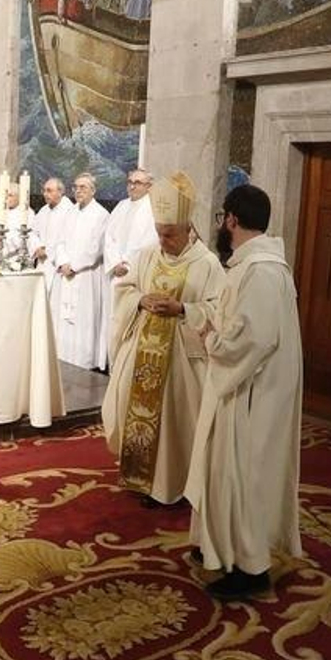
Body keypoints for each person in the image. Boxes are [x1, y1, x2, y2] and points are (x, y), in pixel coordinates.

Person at [188, 185, 303, 600]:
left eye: (223, 217)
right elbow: (232, 316)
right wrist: (211, 321)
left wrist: (214, 342)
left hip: (252, 392)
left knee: (245, 476)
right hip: (242, 385)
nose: (221, 225)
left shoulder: (264, 271)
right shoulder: (249, 266)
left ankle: (250, 566)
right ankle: (217, 545)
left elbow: (254, 337)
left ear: (232, 219)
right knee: (223, 470)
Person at [103, 173, 225, 508]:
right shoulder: (147, 255)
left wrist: (182, 308)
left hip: (183, 358)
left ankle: (174, 484)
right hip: (143, 349)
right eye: (159, 233)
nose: (163, 241)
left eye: (169, 235)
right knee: (134, 408)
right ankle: (142, 479)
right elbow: (125, 289)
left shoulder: (208, 264)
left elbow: (219, 310)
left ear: (188, 230)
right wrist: (140, 300)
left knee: (176, 422)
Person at [50, 173, 111, 370]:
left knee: (83, 320)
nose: (78, 191)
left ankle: (84, 361)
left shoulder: (101, 215)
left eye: (83, 187)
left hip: (85, 276)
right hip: (65, 273)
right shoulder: (70, 212)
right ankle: (62, 356)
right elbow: (59, 242)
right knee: (62, 320)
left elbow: (95, 249)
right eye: (76, 187)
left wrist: (74, 265)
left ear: (93, 190)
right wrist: (63, 262)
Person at [102, 168, 158, 360]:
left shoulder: (153, 210)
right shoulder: (120, 206)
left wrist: (128, 265)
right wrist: (116, 262)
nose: (132, 186)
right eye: (130, 182)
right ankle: (112, 363)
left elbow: (149, 244)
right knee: (113, 320)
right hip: (116, 272)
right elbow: (109, 237)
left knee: (128, 323)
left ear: (149, 186)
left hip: (136, 276)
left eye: (138, 182)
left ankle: (124, 363)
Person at [31, 177, 76, 290]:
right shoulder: (43, 211)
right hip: (42, 263)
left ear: (60, 192)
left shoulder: (70, 211)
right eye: (44, 191)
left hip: (58, 266)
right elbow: (33, 232)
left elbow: (68, 239)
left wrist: (49, 252)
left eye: (49, 191)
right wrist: (37, 247)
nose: (45, 194)